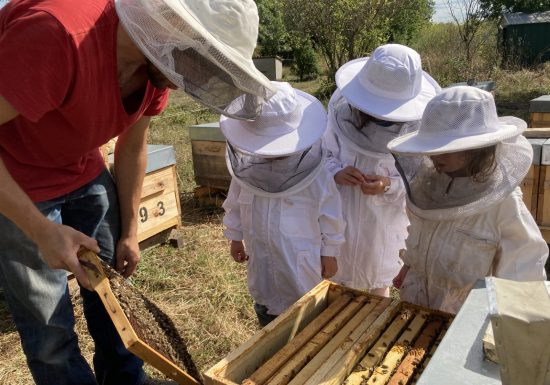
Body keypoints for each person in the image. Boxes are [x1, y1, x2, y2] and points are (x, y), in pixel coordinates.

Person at [0, 0, 275, 384]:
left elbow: (131, 147)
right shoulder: (57, 34)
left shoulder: (157, 63)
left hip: (83, 170)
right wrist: (41, 230)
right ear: (172, 25)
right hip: (17, 180)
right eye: (200, 58)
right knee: (48, 324)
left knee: (113, 299)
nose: (190, 77)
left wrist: (130, 231)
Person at [388, 86, 548, 314]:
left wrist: (506, 328)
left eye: (445, 148)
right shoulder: (430, 185)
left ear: (477, 148)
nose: (434, 156)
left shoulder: (504, 204)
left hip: (465, 320)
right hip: (416, 306)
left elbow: (523, 276)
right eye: (432, 147)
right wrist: (409, 266)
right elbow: (420, 234)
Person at [221, 82, 345, 326]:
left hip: (301, 265)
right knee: (267, 310)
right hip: (262, 260)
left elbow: (332, 217)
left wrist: (330, 253)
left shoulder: (316, 176)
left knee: (307, 320)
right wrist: (235, 236)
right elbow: (235, 204)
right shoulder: (246, 173)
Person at [324, 44, 440, 296]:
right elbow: (324, 155)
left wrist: (388, 184)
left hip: (384, 224)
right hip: (340, 217)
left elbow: (420, 180)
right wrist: (336, 172)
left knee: (378, 286)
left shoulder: (416, 134)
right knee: (337, 285)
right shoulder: (340, 119)